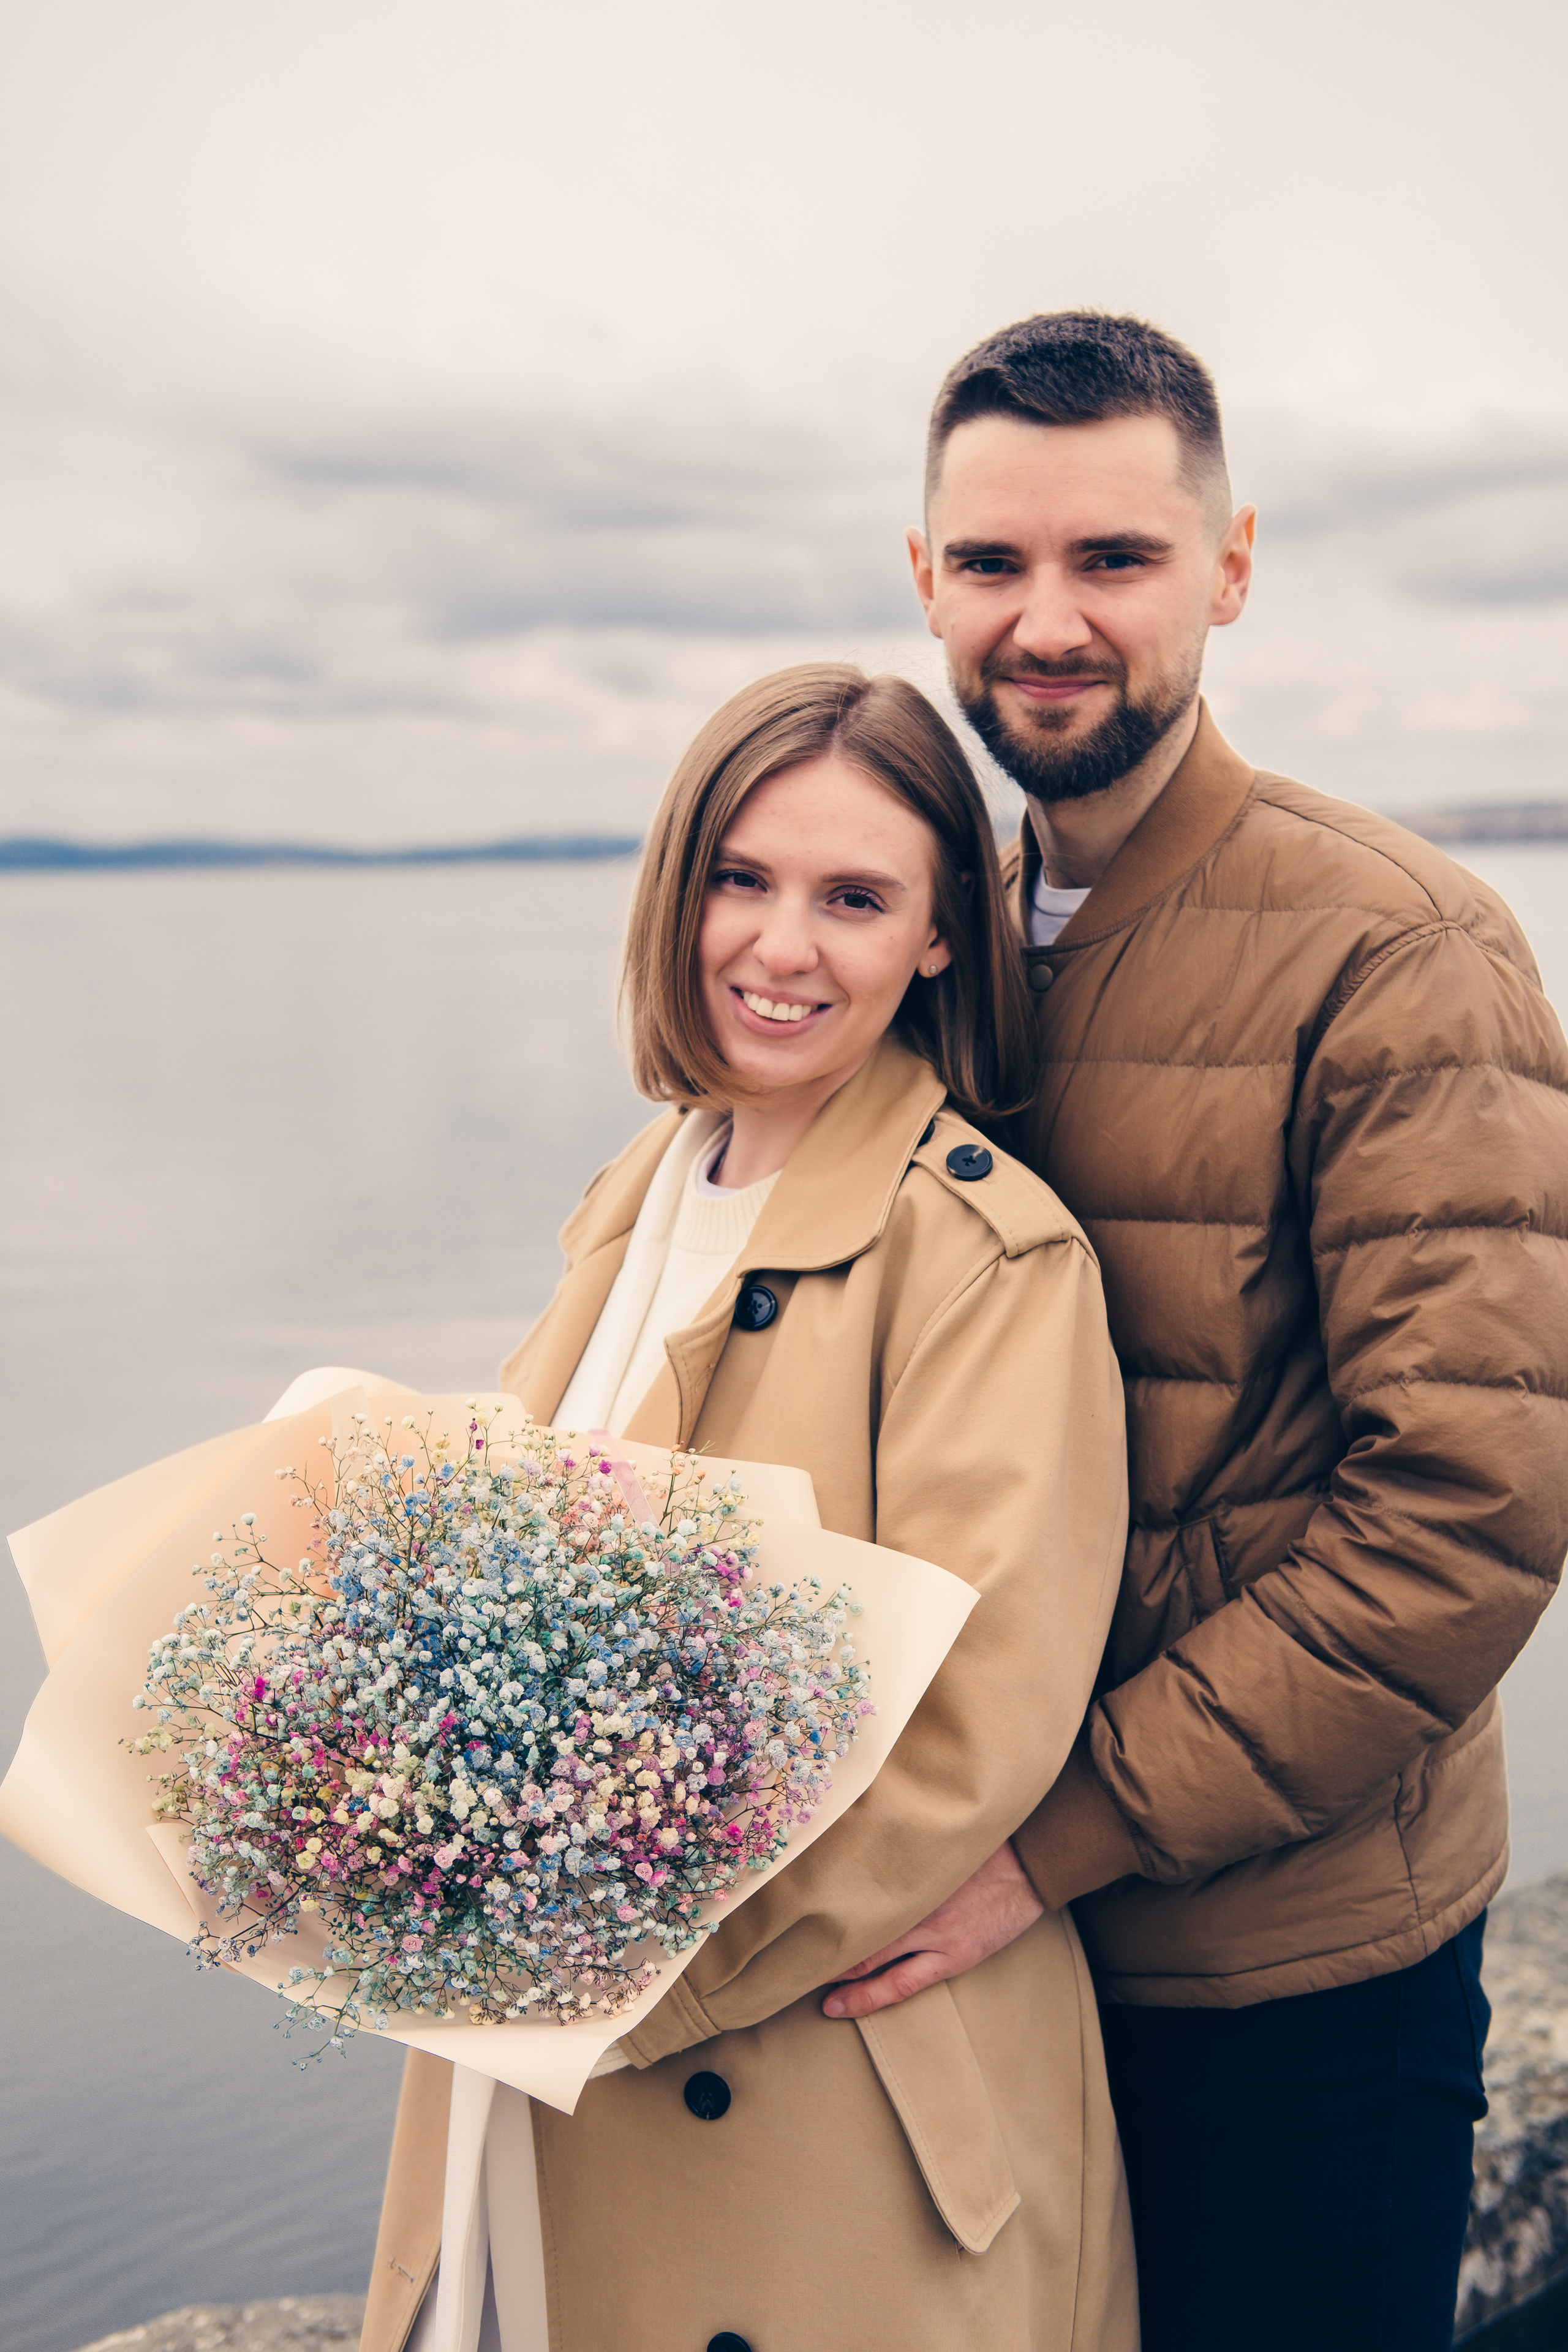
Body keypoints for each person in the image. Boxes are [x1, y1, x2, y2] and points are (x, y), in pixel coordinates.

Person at [824, 311, 1568, 2351]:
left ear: (1230, 569)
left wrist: (1050, 1844)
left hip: (1290, 1977)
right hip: (979, 1946)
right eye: (993, 565)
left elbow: (1468, 1518)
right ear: (924, 581)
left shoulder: (1399, 953)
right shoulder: (929, 940)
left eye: (1116, 561)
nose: (1046, 621)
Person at [360, 663, 1139, 2352]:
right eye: (743, 877)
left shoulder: (989, 1256)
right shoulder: (638, 1189)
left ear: (941, 938)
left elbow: (963, 1732)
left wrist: (590, 1977)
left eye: (855, 898)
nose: (782, 947)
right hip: (532, 2083)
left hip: (807, 2106)